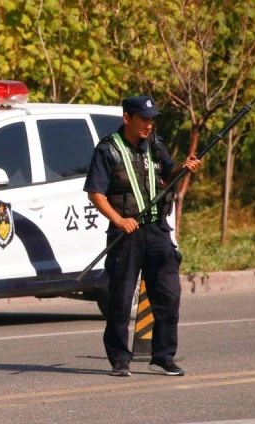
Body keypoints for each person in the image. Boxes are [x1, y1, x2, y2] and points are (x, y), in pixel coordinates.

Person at [83, 96, 201, 377]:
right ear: (127, 119)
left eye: (152, 120)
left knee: (169, 295)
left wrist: (184, 168)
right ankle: (119, 358)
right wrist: (119, 220)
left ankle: (163, 357)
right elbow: (95, 193)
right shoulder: (108, 149)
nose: (149, 125)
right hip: (126, 233)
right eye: (144, 119)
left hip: (157, 230)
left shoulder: (155, 145)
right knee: (121, 299)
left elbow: (169, 175)